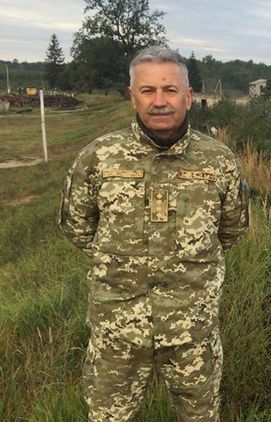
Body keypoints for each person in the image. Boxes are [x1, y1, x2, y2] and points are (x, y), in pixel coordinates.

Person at [59, 45, 249, 421]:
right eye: (148, 90)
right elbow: (77, 227)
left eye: (170, 90)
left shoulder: (219, 162)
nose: (159, 101)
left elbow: (232, 230)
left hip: (191, 333)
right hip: (117, 332)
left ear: (188, 97)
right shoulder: (98, 157)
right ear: (133, 97)